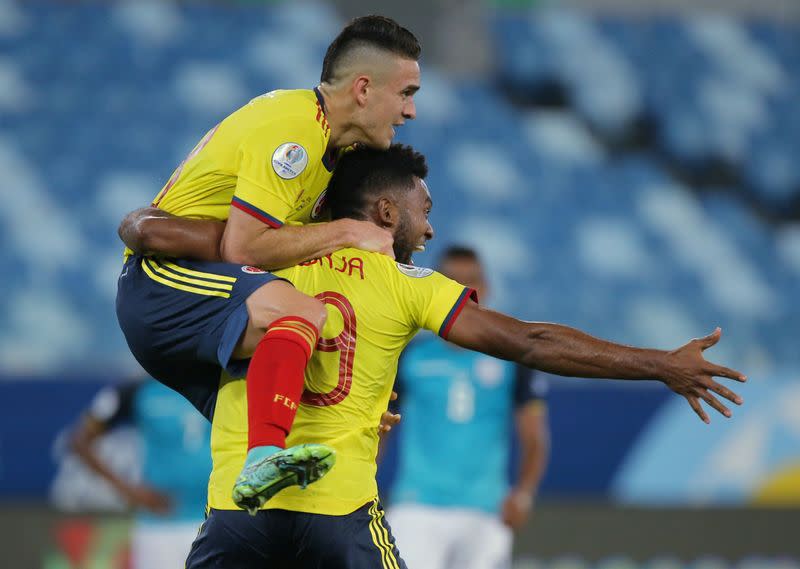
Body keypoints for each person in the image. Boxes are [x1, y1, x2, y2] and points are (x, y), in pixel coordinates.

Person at [120, 144, 745, 568]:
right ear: (385, 212)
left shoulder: (250, 265)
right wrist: (660, 363)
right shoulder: (406, 284)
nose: (431, 231)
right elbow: (528, 341)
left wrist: (145, 228)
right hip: (337, 515)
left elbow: (161, 262)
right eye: (425, 211)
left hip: (237, 513)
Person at [115, 15, 422, 511]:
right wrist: (348, 231)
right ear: (363, 88)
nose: (410, 111)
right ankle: (262, 459)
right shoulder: (296, 128)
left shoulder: (329, 148)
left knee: (292, 414)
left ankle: (258, 474)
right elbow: (244, 248)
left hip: (202, 291)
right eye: (406, 92)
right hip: (162, 283)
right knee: (301, 313)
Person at [387, 245, 550, 569]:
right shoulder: (407, 356)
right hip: (416, 506)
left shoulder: (511, 359)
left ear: (486, 288)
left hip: (485, 510)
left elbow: (534, 437)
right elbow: (380, 429)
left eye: (471, 280)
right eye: (452, 279)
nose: (463, 289)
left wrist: (523, 494)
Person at [69, 378, 212, 569]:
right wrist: (129, 491)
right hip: (161, 527)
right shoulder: (138, 390)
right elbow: (81, 441)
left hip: (214, 521)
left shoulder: (218, 382)